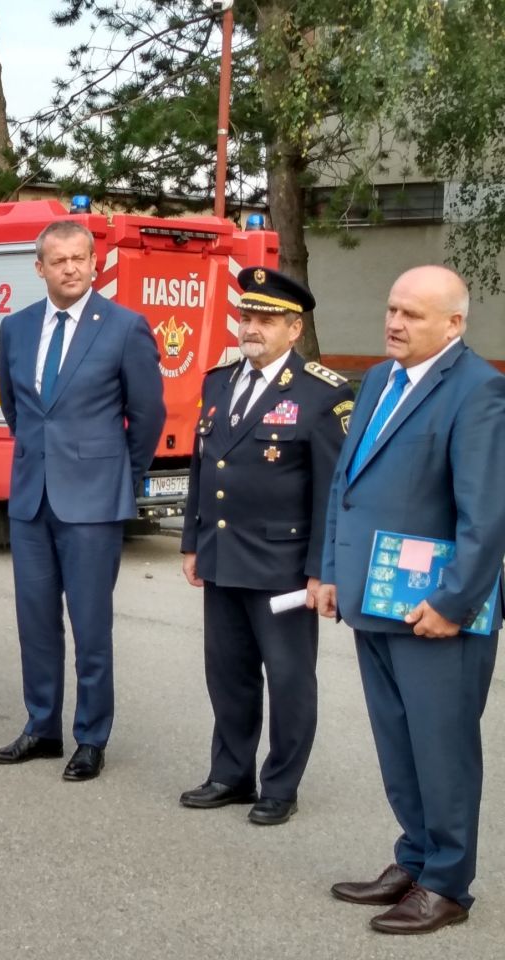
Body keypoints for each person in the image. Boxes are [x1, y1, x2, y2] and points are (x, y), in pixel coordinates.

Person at [318, 265, 505, 934]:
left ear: (454, 324)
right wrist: (331, 569)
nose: (395, 323)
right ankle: (417, 857)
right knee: (399, 743)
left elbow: (487, 515)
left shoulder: (479, 390)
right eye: (392, 309)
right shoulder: (378, 379)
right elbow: (347, 481)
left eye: (413, 315)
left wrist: (454, 603)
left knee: (441, 745)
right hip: (375, 597)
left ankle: (447, 884)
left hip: (438, 613)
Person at [0, 220, 165, 779]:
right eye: (58, 260)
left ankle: (91, 737)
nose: (70, 268)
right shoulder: (15, 327)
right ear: (39, 267)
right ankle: (42, 727)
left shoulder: (124, 328)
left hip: (93, 503)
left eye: (79, 259)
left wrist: (119, 477)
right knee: (35, 623)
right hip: (31, 500)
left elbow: (148, 415)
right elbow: (15, 408)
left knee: (91, 628)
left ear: (94, 264)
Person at [178, 268, 353, 825]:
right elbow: (204, 467)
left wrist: (323, 569)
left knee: (288, 679)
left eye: (266, 320)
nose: (251, 328)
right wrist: (192, 541)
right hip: (222, 555)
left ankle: (280, 785)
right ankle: (230, 774)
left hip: (283, 567)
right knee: (227, 674)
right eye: (246, 317)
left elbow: (332, 491)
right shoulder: (218, 382)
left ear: (294, 328)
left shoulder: (322, 393)